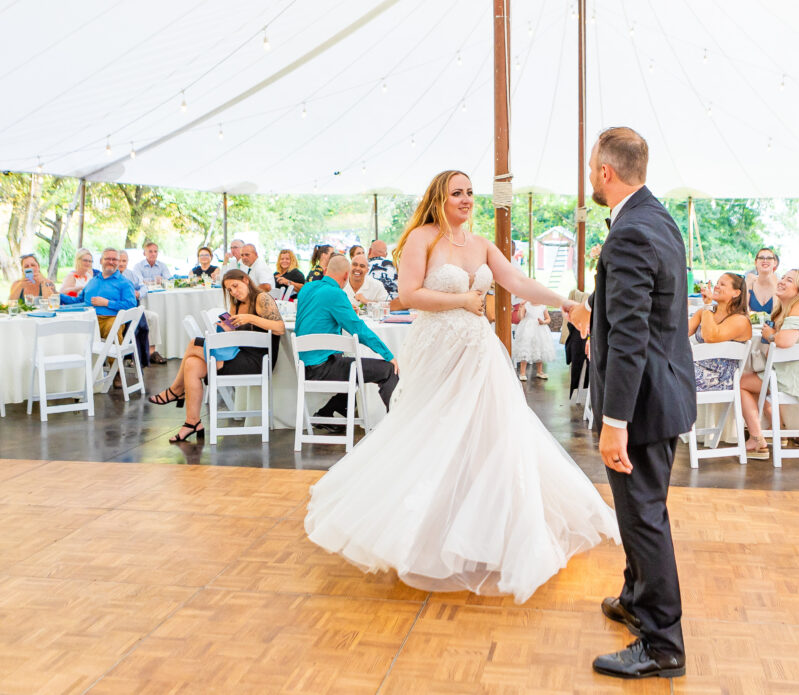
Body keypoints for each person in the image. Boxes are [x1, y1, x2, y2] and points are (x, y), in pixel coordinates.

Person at [305, 169, 618, 609]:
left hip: (479, 351)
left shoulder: (481, 244)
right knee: (432, 433)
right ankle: (423, 534)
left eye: (471, 192)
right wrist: (463, 301)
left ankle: (486, 533)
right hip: (437, 348)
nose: (467, 199)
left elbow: (518, 282)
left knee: (493, 435)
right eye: (458, 193)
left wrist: (564, 302)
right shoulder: (423, 239)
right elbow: (410, 295)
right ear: (440, 197)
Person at [567, 127, 693, 679]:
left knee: (642, 516)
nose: (590, 174)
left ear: (604, 172)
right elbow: (639, 310)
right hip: (662, 391)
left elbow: (635, 334)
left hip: (641, 403)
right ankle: (636, 599)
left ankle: (662, 644)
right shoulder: (656, 217)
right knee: (640, 510)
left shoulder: (630, 233)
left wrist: (613, 421)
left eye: (592, 166)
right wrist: (591, 318)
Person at [148, 269, 284, 442]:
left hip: (258, 360)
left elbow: (279, 328)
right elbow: (237, 335)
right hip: (237, 353)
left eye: (235, 286)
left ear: (246, 280)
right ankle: (192, 422)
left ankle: (176, 391)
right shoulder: (235, 304)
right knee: (191, 364)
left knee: (193, 344)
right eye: (229, 290)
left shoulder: (262, 298)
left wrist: (250, 318)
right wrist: (228, 329)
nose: (234, 292)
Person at [295, 254, 399, 422]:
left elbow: (318, 314)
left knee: (351, 365)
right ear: (346, 276)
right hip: (323, 368)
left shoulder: (307, 288)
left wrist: (344, 310)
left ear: (326, 270)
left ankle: (327, 413)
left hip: (303, 367)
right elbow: (359, 330)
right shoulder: (336, 294)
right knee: (388, 370)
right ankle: (396, 425)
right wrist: (388, 355)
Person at [739, 270, 799, 459]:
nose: (781, 282)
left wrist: (770, 335)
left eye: (789, 280)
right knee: (757, 377)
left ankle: (757, 438)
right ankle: (776, 430)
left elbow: (785, 341)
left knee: (741, 383)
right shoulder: (795, 308)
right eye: (783, 278)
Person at [688, 273, 752, 390]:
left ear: (736, 293)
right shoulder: (703, 312)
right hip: (695, 367)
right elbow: (681, 333)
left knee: (666, 376)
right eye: (717, 283)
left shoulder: (740, 320)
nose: (716, 286)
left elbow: (711, 337)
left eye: (722, 284)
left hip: (720, 377)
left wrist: (707, 305)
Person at [61, 247, 137, 339]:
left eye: (114, 259)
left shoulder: (124, 283)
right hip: (87, 319)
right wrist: (58, 296)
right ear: (101, 261)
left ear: (118, 262)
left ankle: (109, 353)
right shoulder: (93, 281)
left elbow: (131, 305)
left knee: (112, 328)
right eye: (107, 259)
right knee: (64, 326)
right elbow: (78, 301)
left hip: (110, 319)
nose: (111, 262)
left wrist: (107, 303)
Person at [118, 251, 164, 365]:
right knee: (136, 322)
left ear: (127, 262)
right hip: (120, 310)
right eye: (119, 260)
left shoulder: (131, 274)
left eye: (124, 261)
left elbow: (143, 286)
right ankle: (134, 354)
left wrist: (139, 293)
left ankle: (151, 352)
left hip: (134, 308)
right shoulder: (111, 276)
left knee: (153, 317)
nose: (121, 263)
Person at [512, 301, 554, 380]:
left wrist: (543, 322)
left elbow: (548, 319)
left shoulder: (543, 306)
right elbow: (521, 318)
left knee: (539, 347)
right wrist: (521, 308)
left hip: (539, 328)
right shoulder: (526, 305)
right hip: (527, 329)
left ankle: (540, 371)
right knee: (525, 348)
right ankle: (522, 372)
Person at [746, 247, 779, 314]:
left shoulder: (779, 284)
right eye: (761, 258)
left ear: (775, 263)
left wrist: (775, 285)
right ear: (755, 262)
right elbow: (744, 309)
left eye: (769, 258)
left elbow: (777, 312)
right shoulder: (750, 281)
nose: (765, 260)